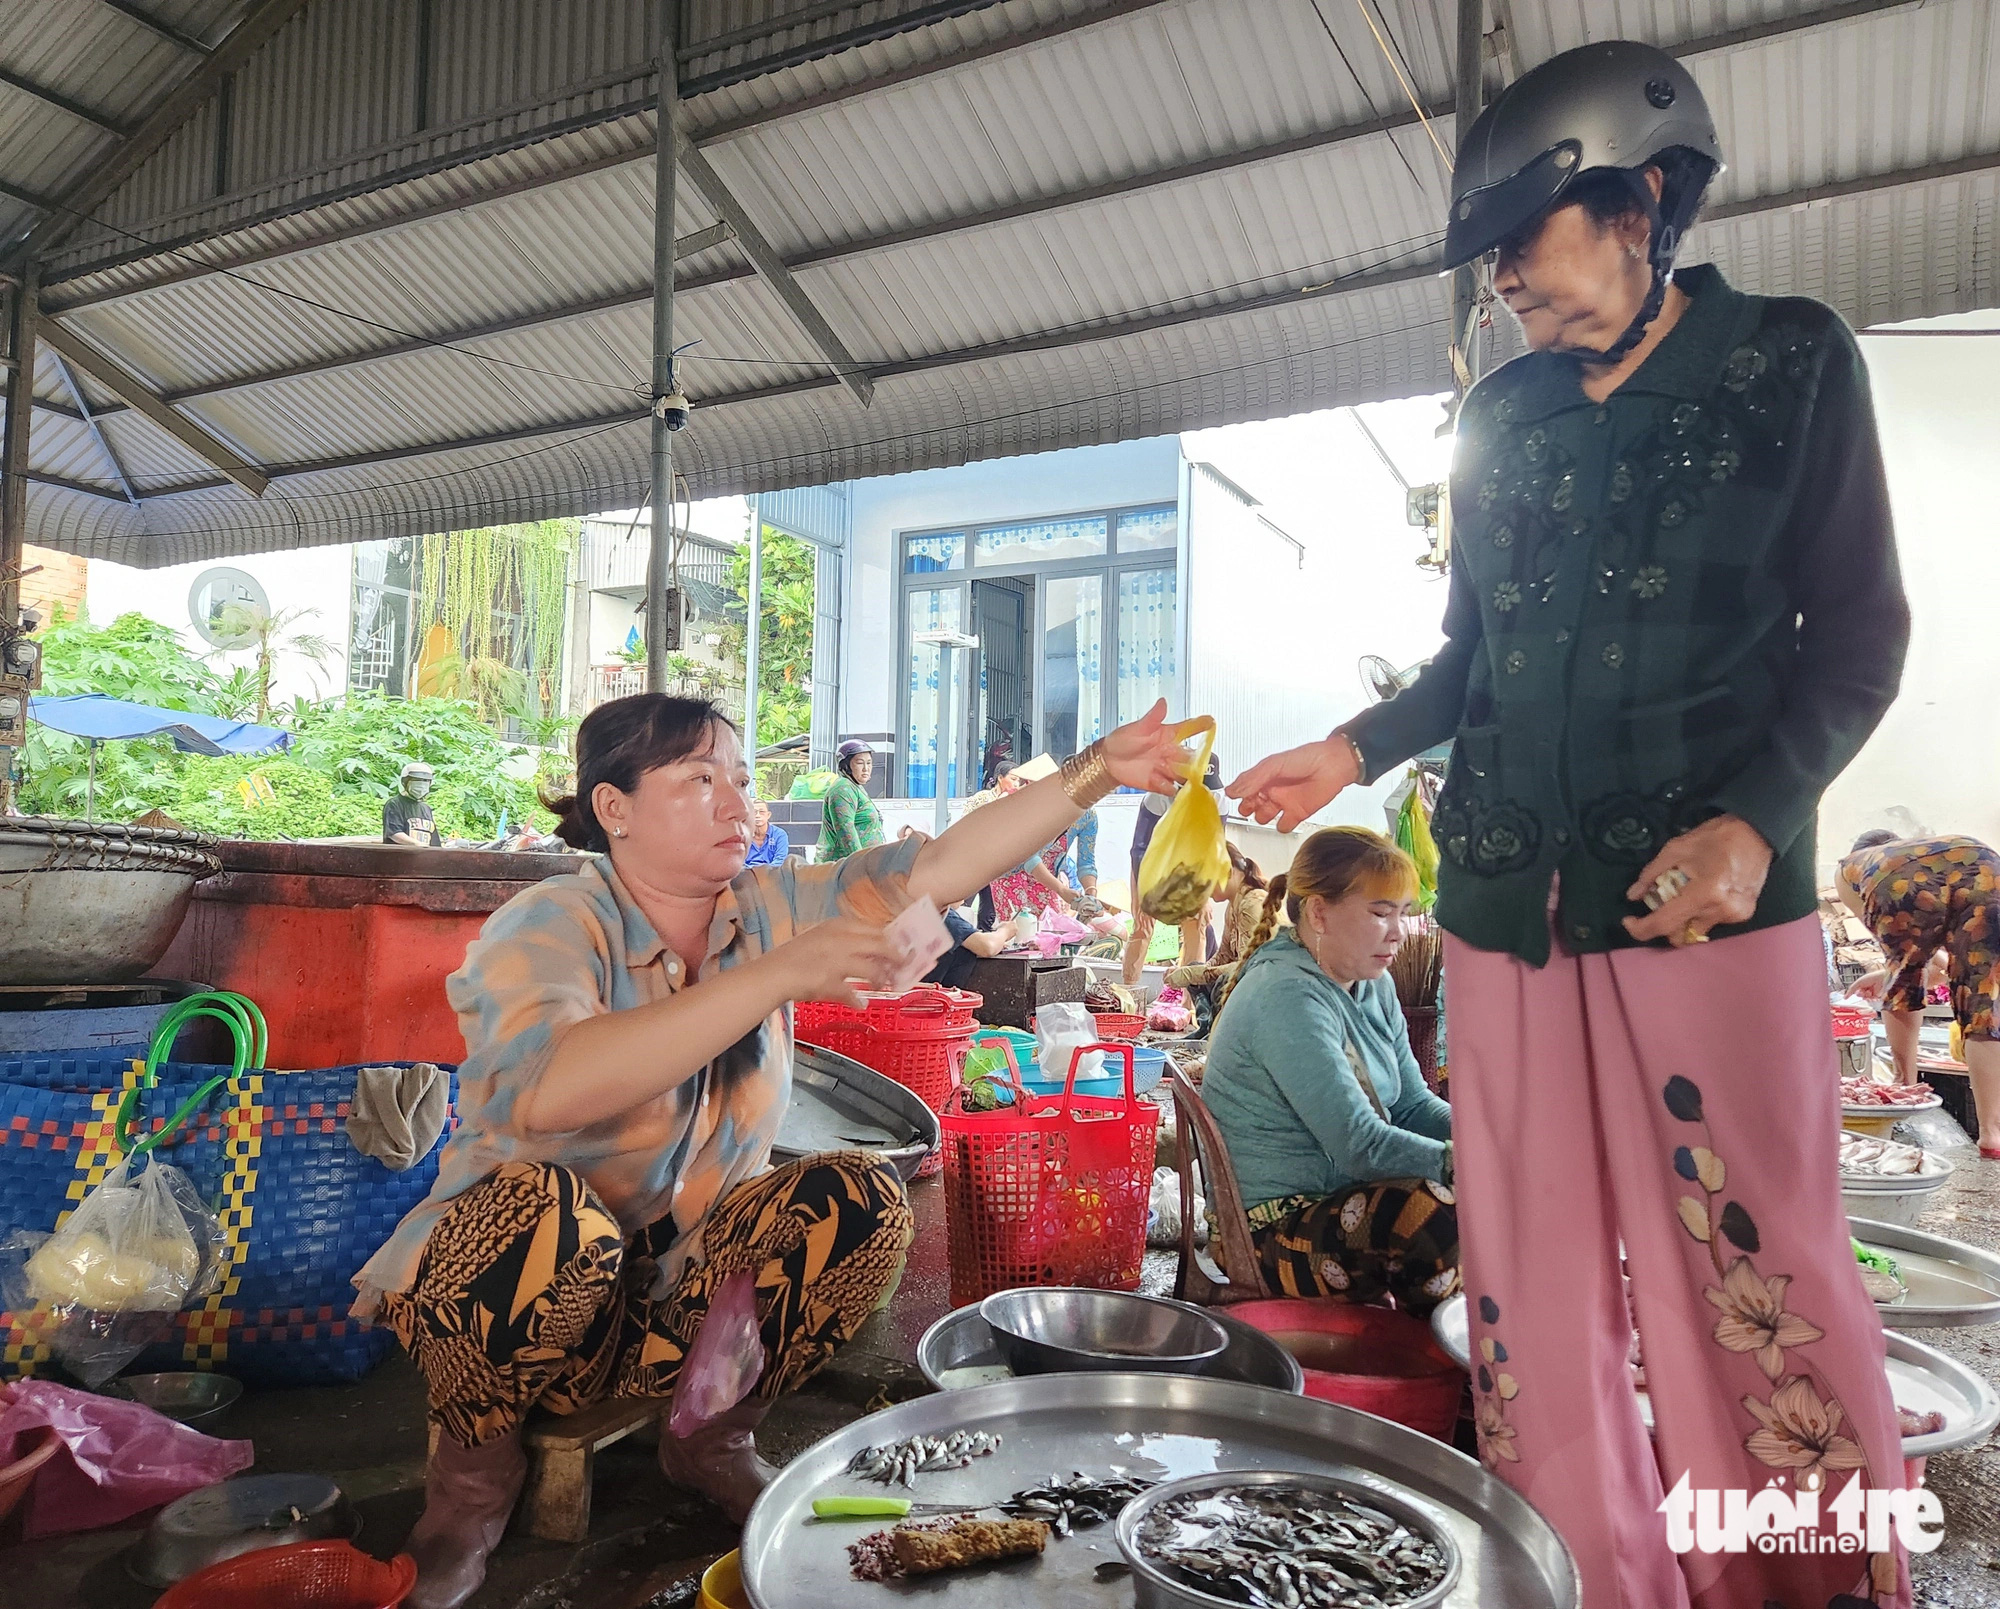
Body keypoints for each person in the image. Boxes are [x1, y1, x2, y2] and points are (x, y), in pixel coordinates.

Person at [1230, 42, 1912, 1608]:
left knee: (1754, 1267)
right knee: (1528, 1276)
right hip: (1499, 903)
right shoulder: (1510, 413)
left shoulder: (1790, 362)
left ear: (1642, 200)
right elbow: (1479, 653)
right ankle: (1594, 1577)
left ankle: (1806, 1583)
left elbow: (1861, 637)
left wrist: (1755, 821)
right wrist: (1351, 743)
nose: (1508, 290)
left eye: (1525, 250)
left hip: (1704, 898)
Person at [350, 692, 1195, 1608]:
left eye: (742, 780)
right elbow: (552, 1087)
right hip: (526, 1319)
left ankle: (709, 1434)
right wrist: (780, 974)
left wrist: (1097, 770)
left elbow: (941, 867)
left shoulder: (765, 907)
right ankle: (471, 1488)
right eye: (698, 780)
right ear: (614, 808)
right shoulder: (553, 922)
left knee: (860, 1201)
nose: (736, 805)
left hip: (678, 1305)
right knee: (541, 1216)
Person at [1201, 828, 1456, 1315]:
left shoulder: (1369, 982)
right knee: (1433, 1217)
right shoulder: (1287, 994)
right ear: (1319, 913)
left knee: (1479, 1193)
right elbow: (1361, 1145)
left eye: (1402, 914)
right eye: (1381, 913)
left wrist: (1491, 1145)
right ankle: (1453, 1371)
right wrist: (1469, 1167)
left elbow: (1411, 1103)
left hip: (1339, 1204)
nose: (1398, 932)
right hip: (1272, 1232)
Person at [1838, 831, 2000, 1156]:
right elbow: (1944, 963)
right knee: (1982, 1002)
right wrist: (1890, 973)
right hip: (1983, 862)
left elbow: (1909, 964)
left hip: (1898, 885)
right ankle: (1992, 1133)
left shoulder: (1849, 869)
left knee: (1903, 983)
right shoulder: (1935, 849)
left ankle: (1905, 1087)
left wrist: (1894, 974)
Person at [1122, 753, 1224, 985]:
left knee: (1197, 924)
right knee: (1143, 924)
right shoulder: (1160, 794)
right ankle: (1128, 991)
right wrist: (1143, 891)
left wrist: (1204, 894)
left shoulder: (1218, 799)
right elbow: (1139, 847)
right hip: (1153, 860)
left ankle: (1189, 1005)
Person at [1165, 842, 1270, 999]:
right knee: (1197, 972)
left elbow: (1250, 968)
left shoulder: (1253, 902)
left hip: (1267, 986)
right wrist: (1189, 972)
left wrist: (1192, 974)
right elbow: (1224, 955)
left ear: (1227, 871)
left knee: (1214, 981)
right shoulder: (1234, 905)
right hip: (1252, 982)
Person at [820, 740, 884, 862]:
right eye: (860, 763)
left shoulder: (856, 787)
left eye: (869, 763)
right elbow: (846, 832)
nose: (866, 768)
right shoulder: (843, 788)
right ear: (846, 766)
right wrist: (860, 866)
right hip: (844, 870)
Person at [384, 762, 441, 846]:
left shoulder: (426, 808)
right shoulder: (394, 804)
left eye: (425, 781)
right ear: (405, 782)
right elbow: (394, 833)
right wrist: (417, 844)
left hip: (422, 857)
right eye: (417, 780)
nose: (421, 785)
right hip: (400, 856)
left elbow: (433, 840)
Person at [743, 796, 790, 867]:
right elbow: (738, 862)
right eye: (754, 812)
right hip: (747, 874)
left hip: (772, 873)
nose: (758, 815)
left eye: (762, 812)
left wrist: (765, 873)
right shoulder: (742, 835)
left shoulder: (780, 834)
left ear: (768, 815)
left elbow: (780, 860)